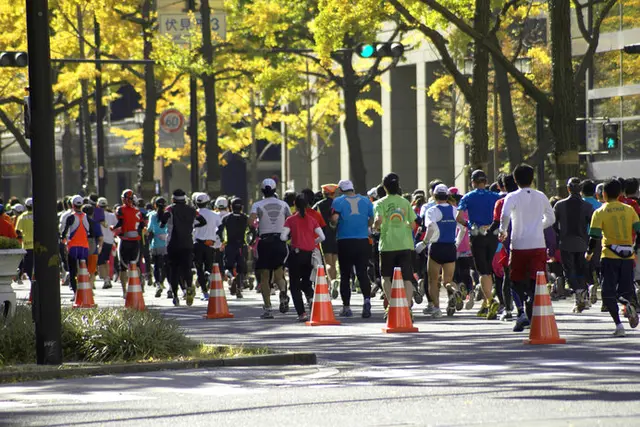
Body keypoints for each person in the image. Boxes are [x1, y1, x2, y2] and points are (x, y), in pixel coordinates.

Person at [499, 164, 555, 332]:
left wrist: (502, 230)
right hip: (538, 243)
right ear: (532, 179)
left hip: (518, 244)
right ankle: (533, 310)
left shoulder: (512, 197)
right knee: (536, 281)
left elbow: (505, 215)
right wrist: (539, 225)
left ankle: (521, 312)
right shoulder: (541, 196)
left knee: (515, 280)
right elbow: (551, 218)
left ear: (515, 180)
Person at [586, 178, 640, 337]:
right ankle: (627, 303)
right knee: (625, 290)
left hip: (609, 255)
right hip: (628, 256)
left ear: (603, 193)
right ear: (620, 193)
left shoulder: (600, 211)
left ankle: (618, 325)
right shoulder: (629, 209)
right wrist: (634, 248)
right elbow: (639, 231)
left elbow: (594, 237)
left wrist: (589, 253)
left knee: (608, 293)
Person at [456, 170, 501, 319]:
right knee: (489, 268)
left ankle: (490, 301)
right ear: (486, 181)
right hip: (493, 236)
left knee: (483, 271)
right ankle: (486, 304)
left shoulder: (468, 197)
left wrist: (469, 225)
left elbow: (459, 217)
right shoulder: (495, 196)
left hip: (477, 236)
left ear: (473, 182)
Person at [416, 184, 465, 317]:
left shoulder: (431, 211)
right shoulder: (455, 210)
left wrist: (424, 242)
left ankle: (437, 309)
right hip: (450, 247)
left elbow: (431, 228)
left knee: (432, 280)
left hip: (436, 247)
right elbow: (463, 228)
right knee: (447, 281)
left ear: (434, 196)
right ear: (447, 196)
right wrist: (457, 243)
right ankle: (454, 291)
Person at [374, 173, 417, 319]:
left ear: (384, 187)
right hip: (405, 244)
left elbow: (378, 220)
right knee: (407, 278)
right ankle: (408, 306)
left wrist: (376, 226)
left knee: (386, 277)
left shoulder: (380, 203)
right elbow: (413, 224)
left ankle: (392, 306)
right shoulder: (405, 202)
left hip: (387, 245)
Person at [331, 179, 374, 318]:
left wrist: (333, 224)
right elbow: (371, 220)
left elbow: (335, 219)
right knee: (362, 272)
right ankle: (367, 301)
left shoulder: (338, 201)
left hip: (345, 240)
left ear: (341, 190)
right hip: (362, 240)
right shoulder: (366, 201)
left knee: (345, 274)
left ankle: (346, 307)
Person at [250, 178, 292, 319]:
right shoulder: (284, 204)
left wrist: (256, 225)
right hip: (280, 241)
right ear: (275, 190)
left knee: (265, 276)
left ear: (262, 190)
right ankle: (283, 293)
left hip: (265, 242)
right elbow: (290, 221)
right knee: (279, 273)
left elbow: (251, 221)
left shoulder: (257, 205)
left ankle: (268, 309)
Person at [553, 177, 594, 313]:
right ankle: (583, 292)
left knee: (569, 271)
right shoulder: (588, 206)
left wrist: (559, 235)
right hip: (583, 242)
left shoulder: (559, 205)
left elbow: (553, 224)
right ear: (580, 190)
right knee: (581, 269)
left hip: (566, 243)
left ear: (568, 189)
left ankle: (579, 294)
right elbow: (593, 226)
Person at [282, 194, 325, 322]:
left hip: (295, 254)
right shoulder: (312, 220)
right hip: (309, 254)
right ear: (307, 205)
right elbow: (322, 237)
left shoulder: (290, 220)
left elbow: (282, 237)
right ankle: (311, 298)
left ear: (295, 205)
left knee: (294, 285)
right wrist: (312, 241)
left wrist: (290, 239)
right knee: (306, 281)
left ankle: (302, 313)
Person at [160, 189, 206, 306]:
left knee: (174, 270)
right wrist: (192, 225)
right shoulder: (192, 210)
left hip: (173, 244)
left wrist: (163, 223)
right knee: (187, 268)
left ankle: (175, 296)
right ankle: (189, 288)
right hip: (188, 243)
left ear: (173, 199)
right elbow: (202, 221)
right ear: (185, 199)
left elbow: (163, 220)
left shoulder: (170, 209)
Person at [111, 190, 146, 298]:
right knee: (135, 264)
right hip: (136, 240)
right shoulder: (138, 211)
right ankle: (137, 285)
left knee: (123, 266)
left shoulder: (120, 209)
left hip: (125, 239)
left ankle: (124, 291)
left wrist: (114, 228)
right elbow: (141, 226)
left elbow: (120, 223)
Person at [218, 197, 251, 299]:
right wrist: (250, 242)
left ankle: (232, 278)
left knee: (228, 267)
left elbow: (219, 231)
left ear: (230, 207)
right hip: (241, 246)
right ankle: (239, 288)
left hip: (230, 245)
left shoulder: (226, 218)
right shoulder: (246, 218)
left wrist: (223, 241)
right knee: (241, 268)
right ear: (242, 207)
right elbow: (253, 231)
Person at [61, 195, 90, 301]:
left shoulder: (71, 217)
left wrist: (63, 239)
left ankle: (75, 293)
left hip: (73, 248)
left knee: (73, 271)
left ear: (72, 205)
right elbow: (89, 231)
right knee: (84, 271)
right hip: (84, 248)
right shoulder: (86, 216)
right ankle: (86, 291)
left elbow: (64, 232)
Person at [193, 193, 221, 301]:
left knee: (199, 268)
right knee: (209, 266)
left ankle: (204, 292)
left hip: (197, 244)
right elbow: (221, 227)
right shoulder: (214, 214)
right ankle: (207, 275)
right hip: (210, 244)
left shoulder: (194, 214)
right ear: (208, 202)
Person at [313, 184, 340, 295]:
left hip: (325, 235)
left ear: (324, 194)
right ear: (333, 194)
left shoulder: (318, 205)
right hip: (338, 235)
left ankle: (332, 281)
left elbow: (312, 217)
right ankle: (333, 283)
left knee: (328, 262)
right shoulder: (338, 204)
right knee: (334, 261)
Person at [147, 197, 169, 298]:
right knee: (165, 265)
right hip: (166, 243)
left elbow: (150, 229)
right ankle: (162, 282)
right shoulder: (168, 215)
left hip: (155, 243)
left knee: (156, 265)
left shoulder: (152, 215)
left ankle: (158, 284)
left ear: (155, 205)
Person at [97, 198, 116, 289]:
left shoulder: (96, 215)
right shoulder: (112, 215)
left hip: (100, 241)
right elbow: (116, 226)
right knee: (106, 261)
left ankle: (106, 280)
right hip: (110, 241)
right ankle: (108, 277)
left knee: (100, 262)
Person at [83, 204, 103, 289]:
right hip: (93, 248)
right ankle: (89, 290)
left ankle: (81, 289)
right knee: (91, 271)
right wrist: (100, 247)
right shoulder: (95, 224)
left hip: (81, 247)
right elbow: (100, 238)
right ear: (92, 213)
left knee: (81, 269)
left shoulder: (80, 223)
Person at [15, 198, 34, 281]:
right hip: (38, 245)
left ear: (26, 206)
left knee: (28, 266)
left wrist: (21, 236)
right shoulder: (39, 215)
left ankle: (30, 282)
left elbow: (17, 231)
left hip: (26, 245)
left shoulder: (22, 217)